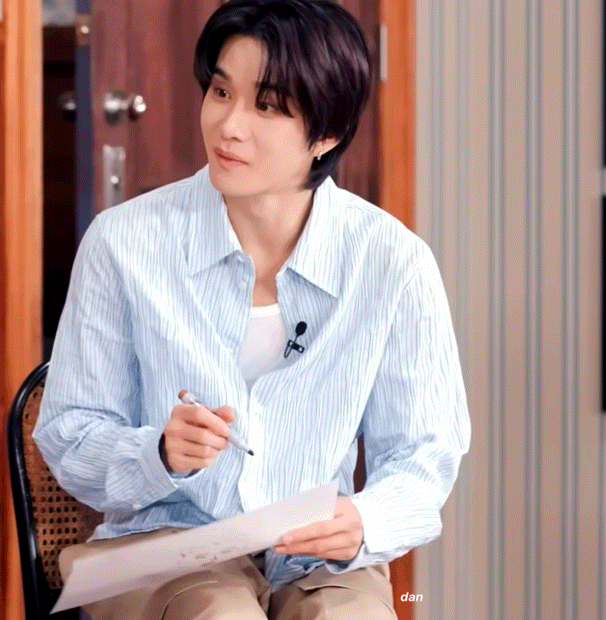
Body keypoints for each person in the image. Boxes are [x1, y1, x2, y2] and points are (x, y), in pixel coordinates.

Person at [33, 1, 470, 618]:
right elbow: (70, 433)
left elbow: (424, 454)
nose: (228, 125)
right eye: (220, 92)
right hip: (162, 548)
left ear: (327, 134)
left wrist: (364, 519)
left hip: (317, 559)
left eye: (266, 106)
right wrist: (157, 453)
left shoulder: (392, 262)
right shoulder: (123, 243)